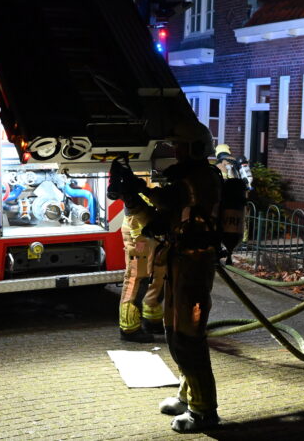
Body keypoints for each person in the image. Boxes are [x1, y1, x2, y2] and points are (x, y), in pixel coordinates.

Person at [112, 121, 222, 432]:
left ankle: (205, 413)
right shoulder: (187, 182)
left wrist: (142, 189)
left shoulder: (200, 181)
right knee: (175, 334)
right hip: (179, 262)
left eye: (181, 146)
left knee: (189, 339)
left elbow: (169, 201)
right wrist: (132, 200)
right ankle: (187, 398)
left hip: (194, 267)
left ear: (196, 148)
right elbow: (159, 222)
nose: (175, 151)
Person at [118, 189, 166, 343]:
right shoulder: (136, 203)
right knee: (136, 279)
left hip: (149, 233)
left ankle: (152, 321)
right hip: (138, 236)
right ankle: (129, 329)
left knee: (158, 274)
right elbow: (136, 223)